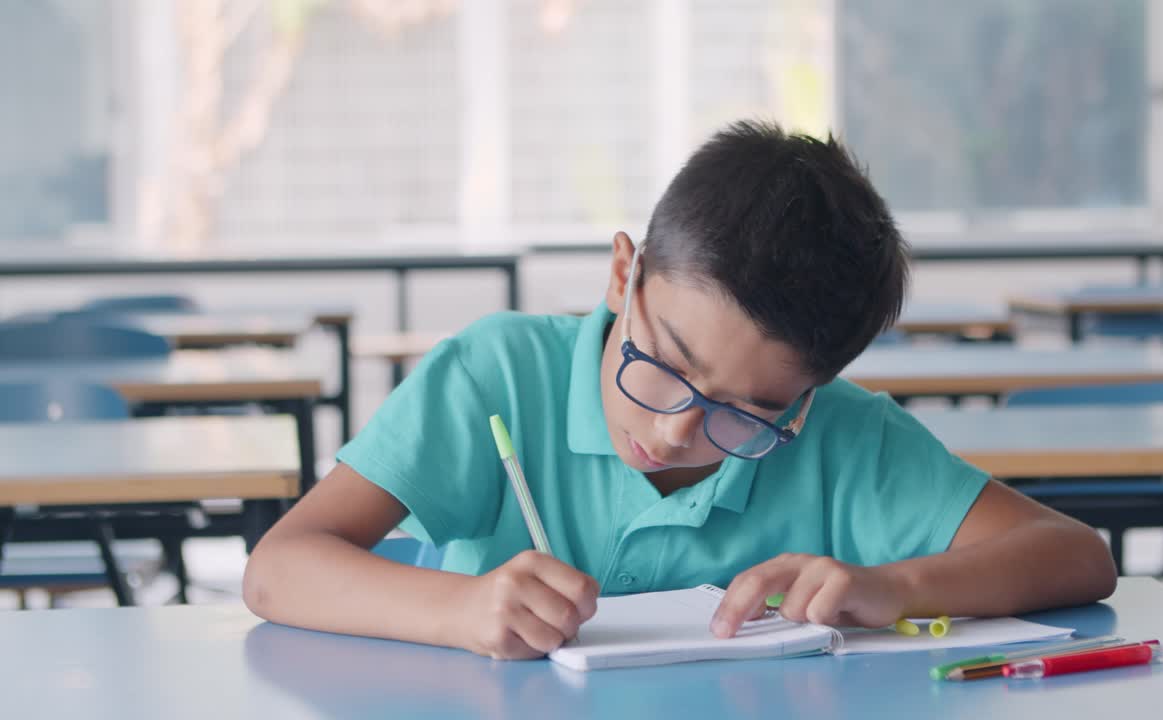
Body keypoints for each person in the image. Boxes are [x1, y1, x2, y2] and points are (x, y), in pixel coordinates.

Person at [243, 120, 1116, 660]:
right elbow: (279, 570)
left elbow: (1078, 556)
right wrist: (464, 609)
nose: (671, 434)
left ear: (809, 397)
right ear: (626, 275)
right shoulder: (496, 375)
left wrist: (899, 587)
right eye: (662, 363)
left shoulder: (846, 438)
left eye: (743, 413)